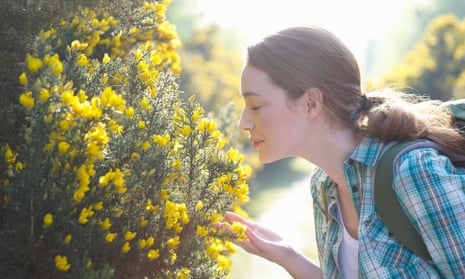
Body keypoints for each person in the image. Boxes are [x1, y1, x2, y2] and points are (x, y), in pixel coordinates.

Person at [221, 26, 465, 278]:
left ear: (311, 103)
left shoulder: (412, 171)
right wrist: (287, 256)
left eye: (256, 106)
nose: (243, 122)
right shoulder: (324, 185)